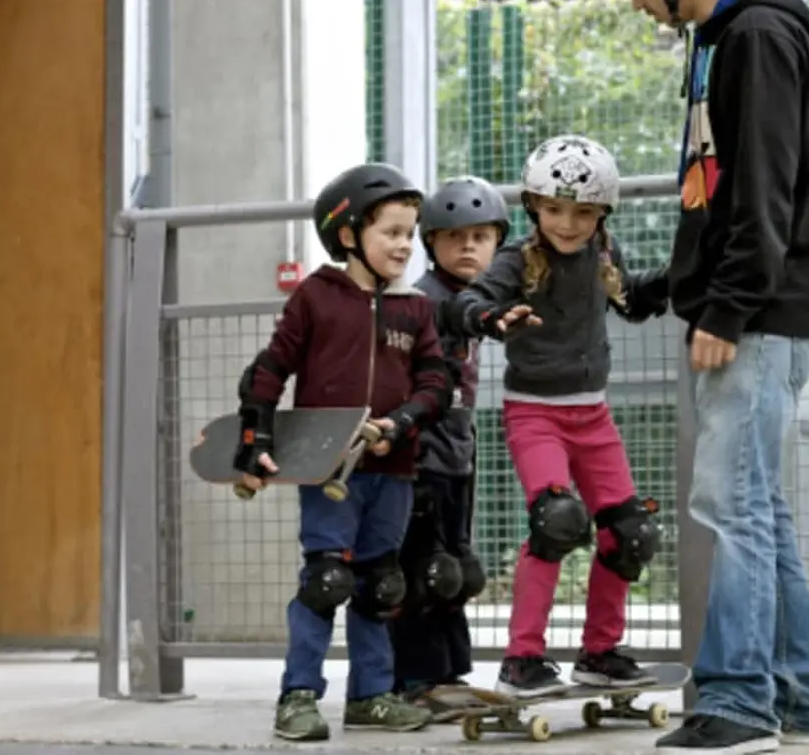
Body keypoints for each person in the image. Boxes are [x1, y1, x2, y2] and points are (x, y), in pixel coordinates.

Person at [590, 0, 809, 753]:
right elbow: (719, 197)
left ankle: (735, 700)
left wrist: (726, 307)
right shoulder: (718, 41)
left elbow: (768, 192)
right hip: (751, 306)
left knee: (730, 506)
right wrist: (667, 284)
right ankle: (797, 700)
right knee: (755, 508)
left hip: (761, 318)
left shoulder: (758, 37)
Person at [443, 134, 670, 698]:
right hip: (535, 414)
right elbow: (465, 303)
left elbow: (634, 303)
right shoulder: (518, 260)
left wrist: (679, 273)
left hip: (592, 416)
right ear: (533, 207)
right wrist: (494, 317)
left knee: (629, 532)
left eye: (583, 212)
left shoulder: (604, 257)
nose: (567, 223)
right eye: (554, 209)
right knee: (557, 520)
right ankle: (522, 660)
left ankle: (600, 652)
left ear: (602, 214)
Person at [235, 162, 452, 742]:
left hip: (394, 466)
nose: (406, 245)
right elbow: (269, 368)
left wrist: (400, 422)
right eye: (393, 232)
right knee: (327, 579)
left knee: (381, 583)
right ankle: (298, 696)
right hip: (328, 466)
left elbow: (436, 385)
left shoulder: (416, 308)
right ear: (350, 233)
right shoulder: (316, 297)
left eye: (411, 233)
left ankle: (371, 696)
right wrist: (254, 441)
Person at [390, 175, 511, 702]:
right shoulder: (424, 300)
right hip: (420, 454)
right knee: (426, 570)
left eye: (481, 237)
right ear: (431, 242)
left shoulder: (477, 297)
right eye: (455, 236)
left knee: (457, 570)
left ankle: (448, 674)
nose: (468, 246)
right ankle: (415, 678)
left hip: (458, 451)